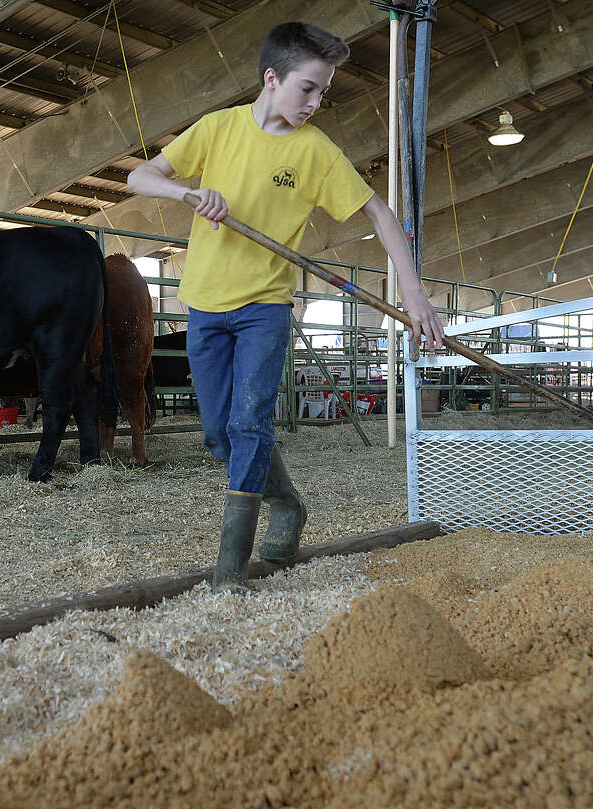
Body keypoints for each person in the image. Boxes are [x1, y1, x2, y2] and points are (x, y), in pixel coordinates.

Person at [127, 21, 445, 594]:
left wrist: (415, 294)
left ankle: (231, 570)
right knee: (219, 436)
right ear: (271, 79)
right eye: (308, 88)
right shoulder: (218, 130)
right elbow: (139, 175)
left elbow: (379, 214)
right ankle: (289, 505)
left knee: (249, 425)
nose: (317, 102)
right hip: (202, 305)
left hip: (264, 308)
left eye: (323, 91)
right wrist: (187, 193)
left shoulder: (314, 151)